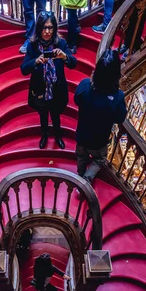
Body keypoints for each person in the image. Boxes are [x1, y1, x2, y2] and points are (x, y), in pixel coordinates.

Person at [21, 11, 77, 150]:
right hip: (40, 90)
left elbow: (73, 63)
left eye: (50, 28)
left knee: (56, 115)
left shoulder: (61, 43)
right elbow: (23, 69)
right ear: (39, 29)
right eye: (44, 28)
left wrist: (65, 57)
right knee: (43, 115)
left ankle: (58, 136)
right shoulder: (32, 46)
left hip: (57, 89)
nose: (47, 31)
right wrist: (36, 61)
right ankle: (45, 135)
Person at [74, 48, 127, 183]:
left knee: (81, 156)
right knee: (99, 159)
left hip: (82, 135)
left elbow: (76, 100)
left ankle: (80, 176)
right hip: (99, 140)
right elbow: (120, 118)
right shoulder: (117, 97)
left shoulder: (85, 86)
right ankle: (87, 179)